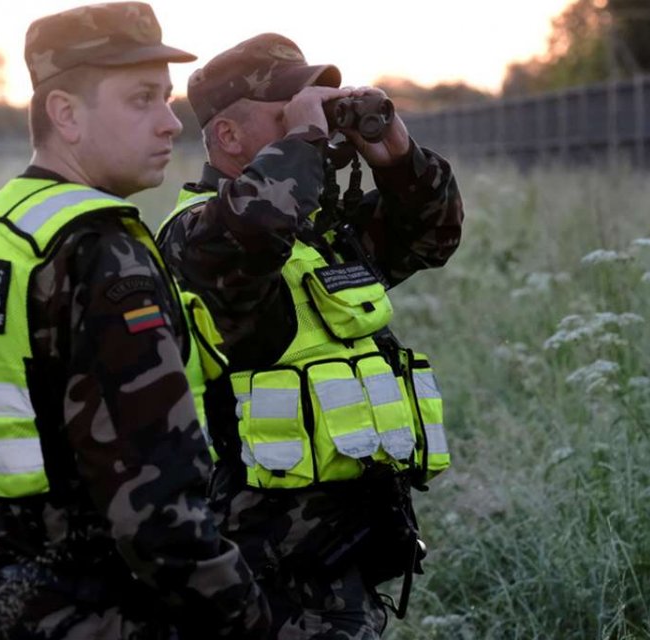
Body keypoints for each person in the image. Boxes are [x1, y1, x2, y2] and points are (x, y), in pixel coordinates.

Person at [0, 4, 269, 638]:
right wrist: (247, 616)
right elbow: (159, 511)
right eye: (141, 99)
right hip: (115, 612)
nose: (169, 123)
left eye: (166, 98)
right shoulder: (102, 249)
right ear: (66, 114)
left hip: (4, 606)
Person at [156, 33, 464, 639]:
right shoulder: (198, 237)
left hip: (338, 564)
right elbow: (255, 228)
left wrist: (396, 153)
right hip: (256, 575)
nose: (318, 126)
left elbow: (434, 233)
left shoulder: (319, 237)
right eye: (288, 113)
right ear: (227, 138)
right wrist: (303, 141)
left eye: (319, 109)